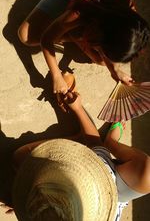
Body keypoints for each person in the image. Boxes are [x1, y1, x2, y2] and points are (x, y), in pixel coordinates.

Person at [12, 92, 150, 221]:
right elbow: (98, 143)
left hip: (104, 192)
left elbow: (97, 142)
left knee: (20, 156)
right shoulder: (143, 171)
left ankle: (78, 140)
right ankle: (85, 142)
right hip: (109, 203)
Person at [18, 0, 150, 94]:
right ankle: (73, 34)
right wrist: (56, 76)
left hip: (94, 10)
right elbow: (46, 39)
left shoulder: (130, 18)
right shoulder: (81, 9)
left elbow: (112, 43)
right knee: (25, 36)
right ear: (100, 31)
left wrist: (115, 70)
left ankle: (73, 34)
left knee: (101, 61)